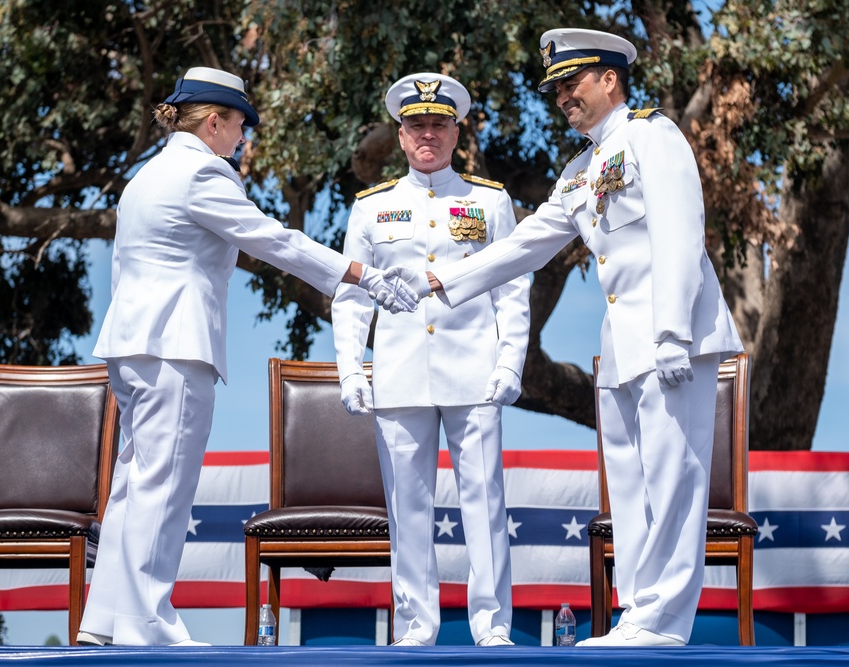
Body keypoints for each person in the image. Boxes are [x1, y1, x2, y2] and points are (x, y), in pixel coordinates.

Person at [408, 30, 744, 647]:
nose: (562, 95)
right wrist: (446, 280)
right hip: (621, 348)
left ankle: (665, 622)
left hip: (672, 338)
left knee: (672, 479)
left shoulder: (651, 136)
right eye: (556, 87)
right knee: (631, 484)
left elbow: (680, 232)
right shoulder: (581, 169)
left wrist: (671, 331)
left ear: (610, 79)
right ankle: (639, 612)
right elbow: (527, 244)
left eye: (572, 82)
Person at [77, 66, 419, 647]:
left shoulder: (146, 175)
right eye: (239, 126)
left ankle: (105, 621)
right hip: (175, 345)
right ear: (213, 122)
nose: (242, 140)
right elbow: (273, 240)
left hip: (131, 346)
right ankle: (145, 624)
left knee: (134, 484)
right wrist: (360, 275)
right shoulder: (202, 173)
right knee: (163, 486)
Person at [331, 72, 531, 647]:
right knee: (408, 510)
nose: (428, 134)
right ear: (399, 136)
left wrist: (510, 363)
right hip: (399, 374)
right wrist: (350, 367)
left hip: (474, 372)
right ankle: (416, 628)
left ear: (455, 132)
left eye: (438, 124)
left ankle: (492, 627)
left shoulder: (489, 201)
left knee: (485, 503)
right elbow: (350, 296)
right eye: (417, 125)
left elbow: (513, 289)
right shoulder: (372, 207)